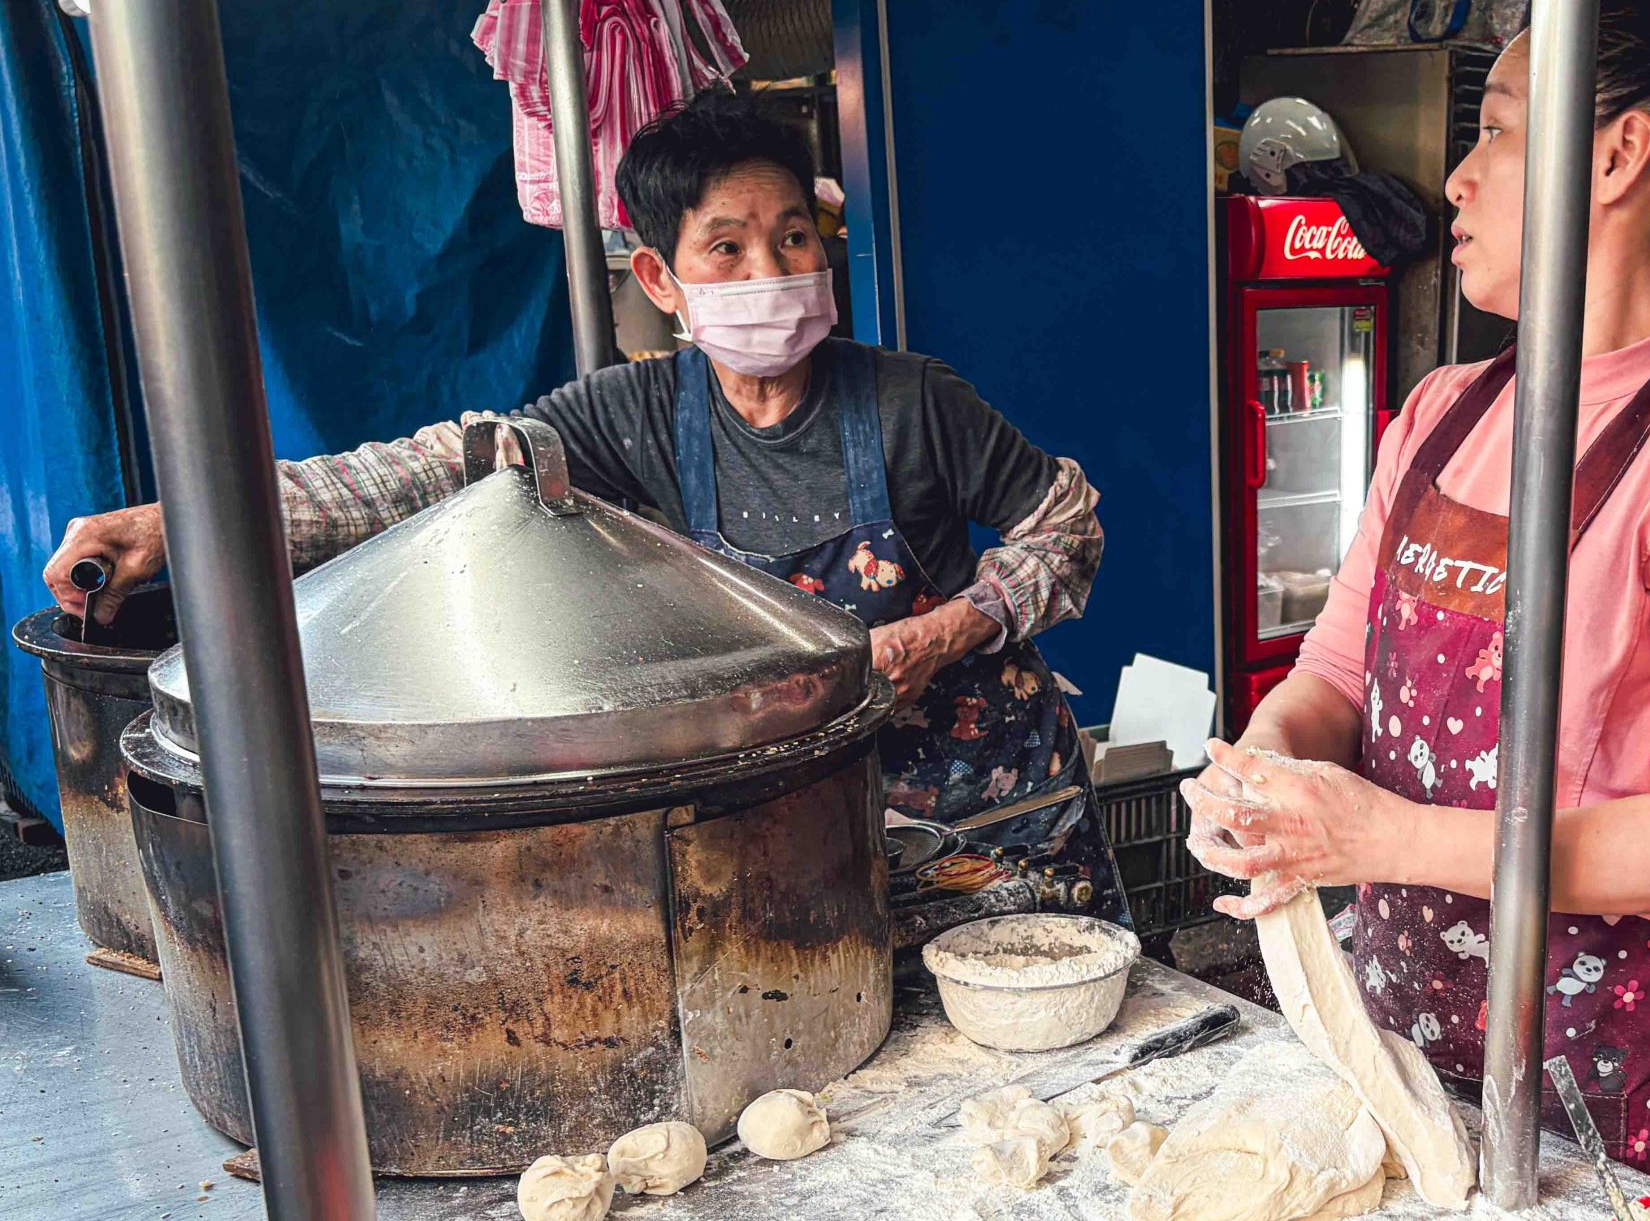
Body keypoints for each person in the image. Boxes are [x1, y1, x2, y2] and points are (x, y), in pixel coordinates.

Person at [45, 91, 1125, 918]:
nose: (771, 267)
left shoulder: (911, 401)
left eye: (792, 235)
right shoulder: (633, 416)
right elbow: (431, 468)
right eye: (728, 247)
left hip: (997, 803)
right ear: (661, 279)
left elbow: (1064, 521)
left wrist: (952, 626)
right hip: (826, 822)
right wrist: (182, 520)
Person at [1183, 0, 1650, 1177]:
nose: (1455, 177)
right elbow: (1335, 674)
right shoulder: (1445, 411)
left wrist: (1382, 836)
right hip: (1392, 1034)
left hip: (1599, 1080)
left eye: (1492, 130)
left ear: (1615, 157)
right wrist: (1270, 771)